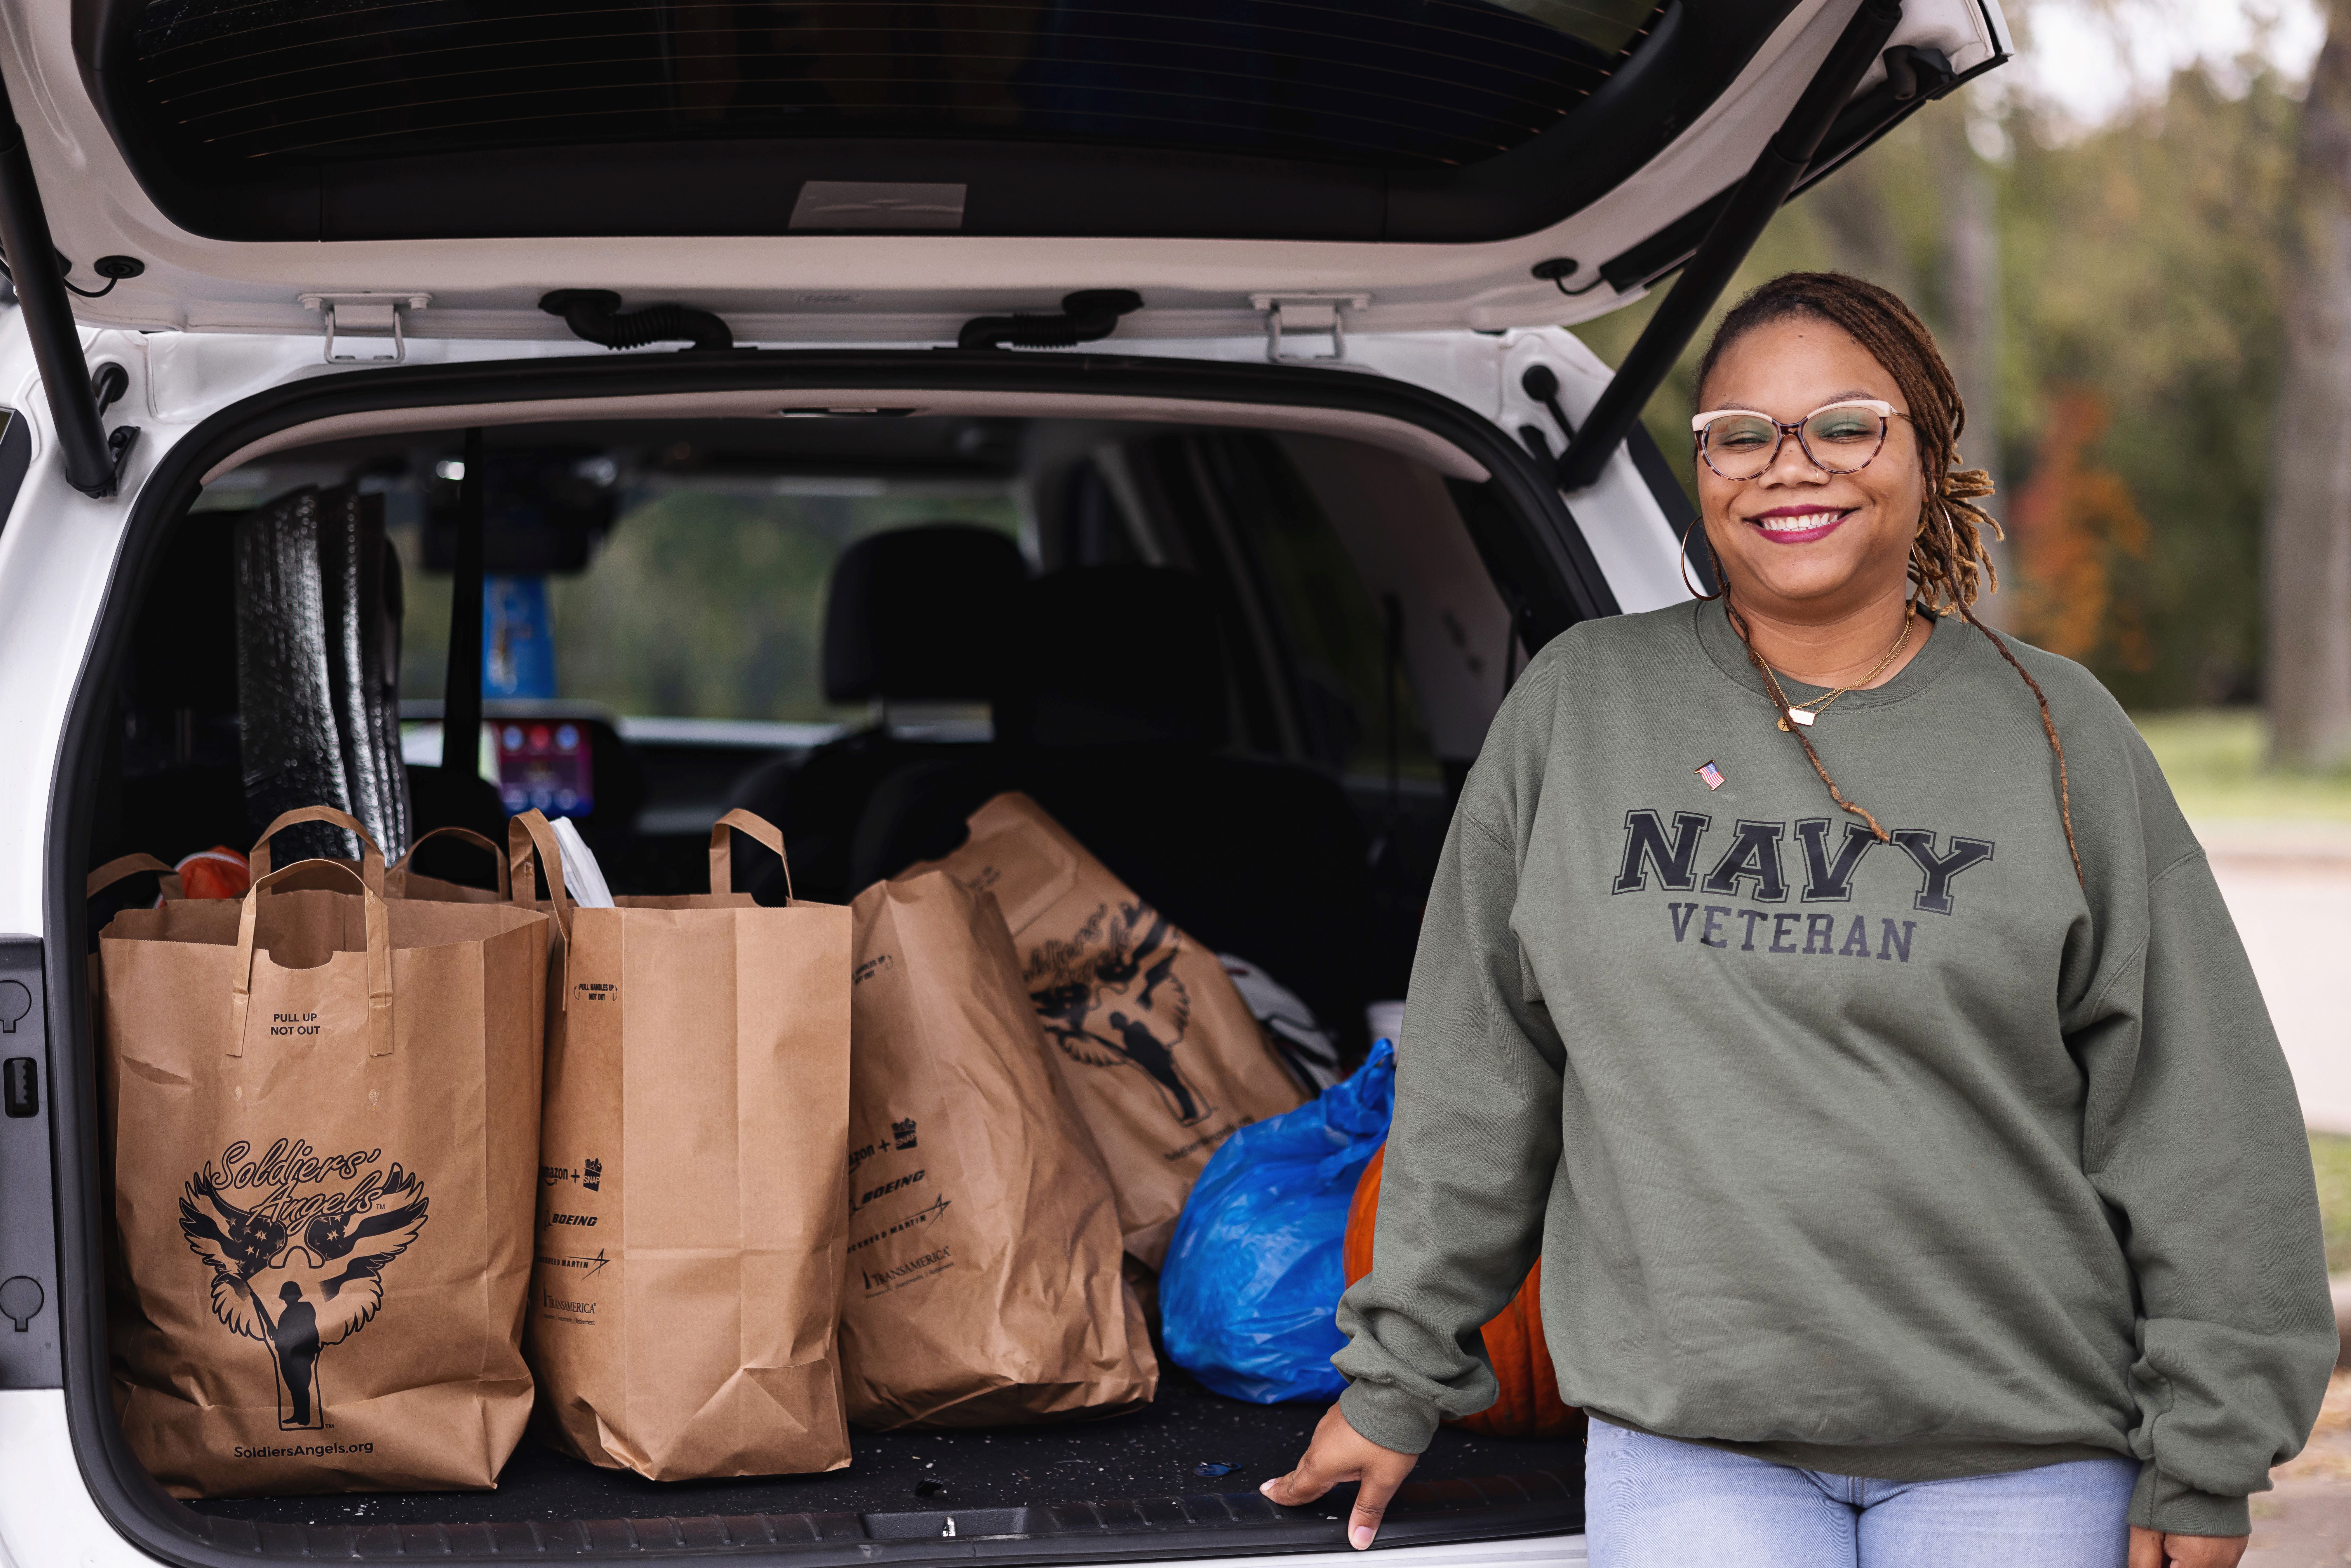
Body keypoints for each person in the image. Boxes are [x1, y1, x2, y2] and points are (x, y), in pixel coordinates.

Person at [1261, 272, 2334, 1568]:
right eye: (1739, 435)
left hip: (2022, 1448)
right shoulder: (1582, 708)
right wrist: (1395, 1381)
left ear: (1926, 452)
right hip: (1694, 1446)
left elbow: (2197, 1114)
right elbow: (1478, 1074)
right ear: (1701, 469)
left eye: (1843, 424)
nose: (1788, 467)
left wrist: (2207, 1450)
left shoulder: (2058, 733)